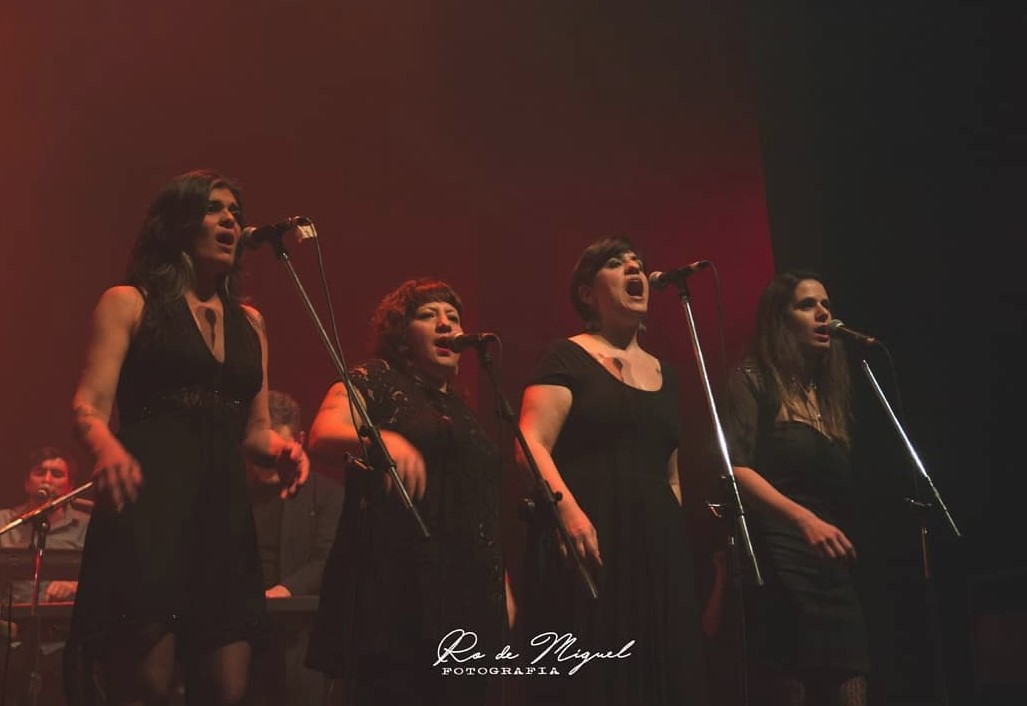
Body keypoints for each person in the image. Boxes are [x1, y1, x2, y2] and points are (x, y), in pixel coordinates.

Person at [65, 169, 309, 706]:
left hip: (221, 518)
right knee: (147, 683)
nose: (230, 220)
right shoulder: (129, 302)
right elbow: (89, 405)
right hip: (150, 509)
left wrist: (283, 450)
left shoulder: (252, 323)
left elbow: (257, 433)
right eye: (214, 208)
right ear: (177, 224)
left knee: (226, 686)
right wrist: (106, 448)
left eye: (235, 213)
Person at [517, 237, 708, 705]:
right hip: (593, 538)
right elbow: (530, 445)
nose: (634, 270)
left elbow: (671, 476)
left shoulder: (668, 373)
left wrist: (669, 546)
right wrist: (568, 514)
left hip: (656, 550)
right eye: (617, 264)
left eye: (639, 264)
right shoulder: (567, 356)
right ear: (587, 293)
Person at [305, 278, 507, 706]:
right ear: (401, 334)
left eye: (453, 318)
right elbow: (324, 432)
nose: (446, 324)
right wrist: (383, 440)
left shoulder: (460, 409)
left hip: (464, 588)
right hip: (400, 586)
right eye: (428, 315)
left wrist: (500, 580)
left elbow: (477, 503)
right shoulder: (376, 379)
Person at [721, 271, 869, 706]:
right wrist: (803, 519)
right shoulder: (752, 380)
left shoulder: (826, 395)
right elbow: (736, 468)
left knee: (852, 683)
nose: (824, 313)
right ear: (779, 319)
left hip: (831, 570)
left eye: (826, 304)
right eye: (807, 305)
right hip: (779, 562)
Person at [247, 390, 343, 706]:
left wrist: (283, 591)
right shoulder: (233, 495)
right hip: (244, 638)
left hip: (299, 639)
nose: (271, 459)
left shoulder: (328, 495)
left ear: (299, 440)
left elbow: (327, 558)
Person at [0, 447, 89, 604]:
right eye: (40, 473)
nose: (47, 480)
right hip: (9, 621)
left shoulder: (86, 526)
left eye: (57, 474)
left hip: (64, 621)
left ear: (71, 487)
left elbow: (108, 575)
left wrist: (75, 586)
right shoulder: (4, 522)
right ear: (27, 483)